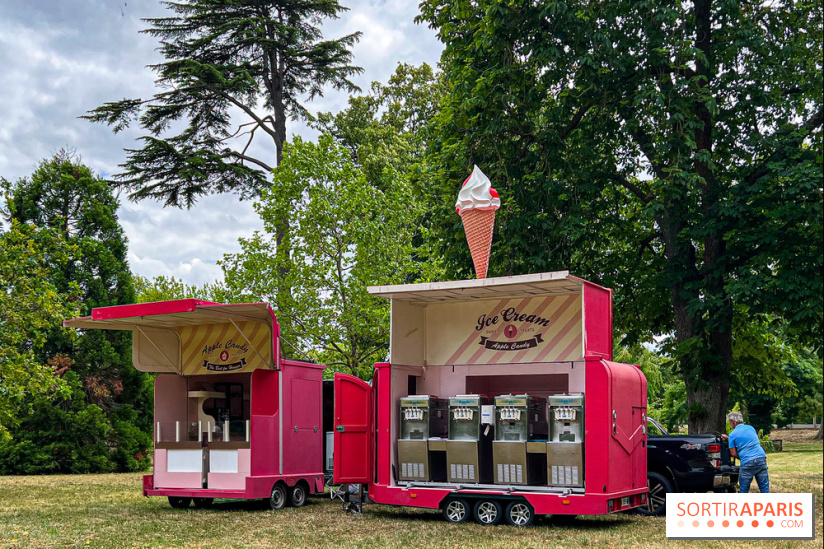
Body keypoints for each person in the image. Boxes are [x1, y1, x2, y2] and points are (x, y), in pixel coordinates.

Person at [721, 411, 769, 493]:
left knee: (744, 490)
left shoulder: (733, 434)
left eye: (730, 422)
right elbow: (746, 438)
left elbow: (733, 453)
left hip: (747, 462)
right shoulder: (751, 428)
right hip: (761, 458)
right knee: (765, 489)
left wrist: (742, 458)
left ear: (732, 422)